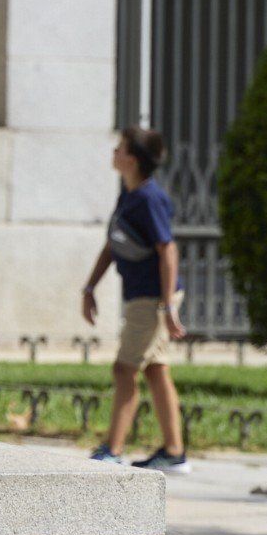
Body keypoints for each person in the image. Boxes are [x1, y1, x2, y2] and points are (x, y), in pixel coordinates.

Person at [80, 127, 190, 473]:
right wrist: (89, 288)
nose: (114, 151)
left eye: (120, 148)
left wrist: (167, 305)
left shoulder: (148, 198)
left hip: (152, 297)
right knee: (156, 371)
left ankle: (112, 449)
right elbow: (113, 244)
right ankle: (174, 452)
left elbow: (168, 250)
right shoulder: (129, 195)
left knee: (124, 368)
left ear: (132, 158)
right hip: (143, 296)